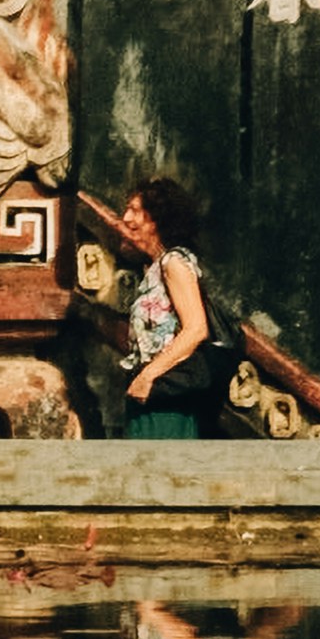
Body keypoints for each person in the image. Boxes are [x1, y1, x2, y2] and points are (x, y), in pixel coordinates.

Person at [96, 174, 245, 440]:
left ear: (157, 220)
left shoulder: (173, 263)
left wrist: (148, 376)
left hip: (165, 393)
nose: (126, 218)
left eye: (135, 210)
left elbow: (195, 328)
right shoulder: (153, 268)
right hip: (149, 393)